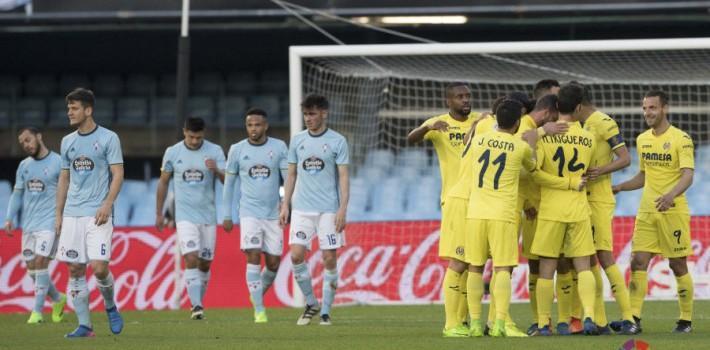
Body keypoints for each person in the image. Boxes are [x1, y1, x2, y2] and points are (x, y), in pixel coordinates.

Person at [612, 90, 695, 333]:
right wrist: (620, 186)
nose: (648, 112)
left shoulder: (681, 139)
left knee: (677, 265)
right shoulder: (642, 139)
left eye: (652, 108)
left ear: (664, 109)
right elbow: (643, 176)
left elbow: (688, 175)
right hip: (647, 211)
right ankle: (634, 319)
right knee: (638, 261)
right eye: (645, 108)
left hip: (673, 211)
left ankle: (685, 320)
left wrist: (671, 195)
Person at [407, 82, 479, 336]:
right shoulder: (437, 123)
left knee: (476, 263)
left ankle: (466, 320)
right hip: (454, 199)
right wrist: (428, 127)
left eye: (468, 96)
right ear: (448, 101)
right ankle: (453, 322)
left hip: (480, 200)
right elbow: (410, 138)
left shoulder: (480, 121)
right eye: (460, 97)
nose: (465, 100)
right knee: (459, 260)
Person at [528, 83, 597, 336]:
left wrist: (541, 135)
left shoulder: (546, 136)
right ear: (579, 107)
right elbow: (587, 170)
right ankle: (587, 316)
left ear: (557, 106)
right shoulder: (589, 138)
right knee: (583, 266)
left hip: (551, 209)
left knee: (547, 268)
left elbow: (536, 174)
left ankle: (545, 322)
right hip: (579, 207)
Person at [570, 82, 638, 335]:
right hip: (583, 199)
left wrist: (600, 171)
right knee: (588, 259)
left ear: (579, 106)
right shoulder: (580, 125)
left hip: (599, 200)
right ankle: (599, 320)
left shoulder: (603, 122)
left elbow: (625, 158)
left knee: (604, 256)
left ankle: (629, 318)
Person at [55, 88, 124, 338]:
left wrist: (107, 204)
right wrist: (59, 214)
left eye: (74, 108)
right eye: (68, 109)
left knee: (99, 268)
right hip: (73, 213)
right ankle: (85, 326)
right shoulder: (67, 141)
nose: (69, 113)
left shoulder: (109, 138)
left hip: (98, 213)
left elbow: (118, 174)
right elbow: (64, 179)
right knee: (75, 269)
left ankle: (110, 306)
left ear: (88, 110)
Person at [280, 94, 349, 326]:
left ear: (324, 113)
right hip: (301, 209)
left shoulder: (338, 141)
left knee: (329, 258)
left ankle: (326, 311)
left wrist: (342, 209)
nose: (308, 118)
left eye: (312, 114)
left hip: (328, 210)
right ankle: (311, 303)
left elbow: (343, 176)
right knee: (296, 254)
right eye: (306, 114)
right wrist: (285, 204)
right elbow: (291, 174)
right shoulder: (297, 140)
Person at [156, 117, 226, 320]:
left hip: (208, 216)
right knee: (191, 258)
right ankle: (196, 306)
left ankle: (198, 303)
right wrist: (159, 213)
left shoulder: (215, 151)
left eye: (199, 137)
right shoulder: (173, 152)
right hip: (184, 216)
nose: (195, 141)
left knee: (205, 263)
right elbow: (163, 183)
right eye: (191, 137)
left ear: (204, 133)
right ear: (184, 132)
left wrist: (217, 170)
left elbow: (227, 181)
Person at [223, 108, 288, 323]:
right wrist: (227, 214)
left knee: (273, 263)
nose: (253, 129)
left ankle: (256, 294)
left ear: (266, 126)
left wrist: (287, 206)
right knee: (252, 254)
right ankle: (259, 310)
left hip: (272, 214)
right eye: (250, 125)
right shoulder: (237, 150)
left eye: (257, 125)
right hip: (249, 212)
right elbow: (229, 183)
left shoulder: (278, 147)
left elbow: (287, 178)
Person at [4, 127, 67, 324]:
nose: (26, 145)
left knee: (41, 263)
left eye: (28, 140)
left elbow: (66, 191)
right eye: (23, 143)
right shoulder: (24, 165)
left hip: (49, 223)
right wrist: (9, 218)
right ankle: (58, 298)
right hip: (29, 225)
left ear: (39, 136)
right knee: (32, 270)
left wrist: (61, 217)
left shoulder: (58, 162)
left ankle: (37, 312)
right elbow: (17, 193)